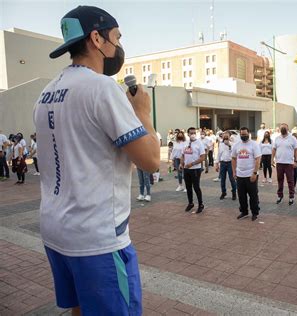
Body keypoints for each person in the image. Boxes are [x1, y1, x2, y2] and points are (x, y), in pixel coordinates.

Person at [33, 6, 161, 314]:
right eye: (116, 37)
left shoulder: (46, 94)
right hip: (97, 237)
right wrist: (142, 112)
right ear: (96, 38)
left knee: (80, 308)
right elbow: (152, 161)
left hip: (56, 229)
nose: (118, 46)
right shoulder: (102, 88)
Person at [232, 127, 262, 221]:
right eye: (242, 134)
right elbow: (233, 158)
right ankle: (244, 211)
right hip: (240, 174)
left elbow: (258, 159)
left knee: (253, 195)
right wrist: (234, 172)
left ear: (248, 134)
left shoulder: (254, 144)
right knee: (241, 195)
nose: (243, 136)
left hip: (251, 174)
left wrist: (254, 173)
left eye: (245, 134)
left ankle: (255, 212)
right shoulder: (236, 145)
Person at [272, 123, 297, 205]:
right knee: (280, 180)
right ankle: (280, 196)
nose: (283, 129)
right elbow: (274, 149)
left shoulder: (292, 138)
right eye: (282, 127)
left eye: (285, 127)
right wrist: (272, 159)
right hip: (279, 163)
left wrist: (296, 161)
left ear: (288, 128)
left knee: (290, 181)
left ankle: (291, 196)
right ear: (279, 129)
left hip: (289, 163)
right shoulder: (277, 138)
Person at [181, 127, 206, 213]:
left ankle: (201, 204)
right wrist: (181, 164)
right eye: (191, 133)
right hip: (186, 169)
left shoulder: (199, 143)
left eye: (194, 133)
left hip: (195, 169)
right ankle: (190, 203)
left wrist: (192, 164)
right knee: (188, 187)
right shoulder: (185, 143)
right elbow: (182, 155)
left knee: (196, 187)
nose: (193, 134)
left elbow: (203, 157)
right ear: (188, 134)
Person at [216, 132, 237, 200]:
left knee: (232, 179)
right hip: (223, 163)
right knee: (222, 179)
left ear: (230, 136)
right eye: (224, 136)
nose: (225, 137)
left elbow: (234, 154)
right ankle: (223, 192)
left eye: (227, 136)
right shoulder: (221, 145)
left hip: (230, 163)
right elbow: (219, 154)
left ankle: (234, 192)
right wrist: (217, 164)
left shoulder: (233, 144)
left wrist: (229, 145)